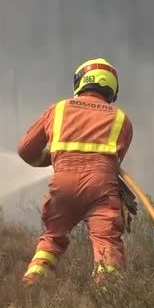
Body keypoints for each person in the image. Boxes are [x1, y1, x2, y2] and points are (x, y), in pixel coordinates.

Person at [15, 58, 134, 285]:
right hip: (102, 189)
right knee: (106, 243)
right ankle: (108, 300)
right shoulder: (122, 120)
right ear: (112, 88)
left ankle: (31, 284)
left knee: (52, 238)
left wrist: (51, 160)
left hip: (63, 185)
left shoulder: (58, 110)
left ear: (80, 82)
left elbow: (25, 149)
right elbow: (115, 161)